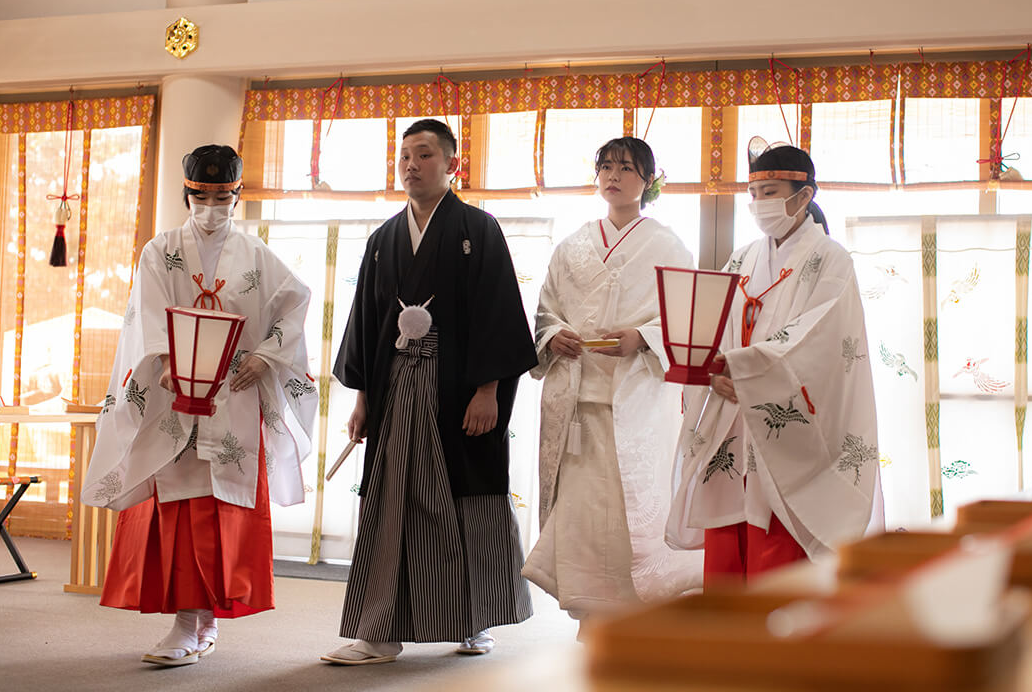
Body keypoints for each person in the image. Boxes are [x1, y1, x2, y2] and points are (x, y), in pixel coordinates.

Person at [82, 144, 316, 665]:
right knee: (179, 504)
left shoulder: (257, 255)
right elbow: (145, 313)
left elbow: (294, 300)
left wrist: (267, 355)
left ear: (237, 195)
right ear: (186, 193)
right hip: (174, 396)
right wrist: (165, 359)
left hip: (231, 396)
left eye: (222, 195)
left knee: (219, 508)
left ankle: (202, 621)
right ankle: (186, 621)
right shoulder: (160, 249)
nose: (211, 204)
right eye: (201, 195)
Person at [322, 118, 537, 666]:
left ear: (451, 164)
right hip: (396, 389)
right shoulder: (382, 240)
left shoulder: (478, 229)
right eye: (405, 156)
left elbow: (498, 314)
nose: (412, 165)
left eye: (424, 155)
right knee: (391, 501)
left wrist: (489, 390)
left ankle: (475, 618)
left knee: (469, 500)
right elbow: (368, 324)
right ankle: (379, 631)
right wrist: (364, 398)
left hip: (460, 389)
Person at [665, 142, 882, 585]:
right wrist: (712, 368)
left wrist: (742, 370)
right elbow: (716, 318)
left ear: (803, 196)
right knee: (730, 514)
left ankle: (779, 642)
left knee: (778, 525)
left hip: (788, 413)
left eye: (771, 191)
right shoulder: (743, 257)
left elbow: (817, 335)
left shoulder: (831, 259)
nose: (760, 202)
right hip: (732, 408)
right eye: (754, 191)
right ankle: (725, 642)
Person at [523, 137, 702, 625]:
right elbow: (546, 311)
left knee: (631, 512)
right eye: (605, 167)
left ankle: (637, 615)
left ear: (649, 181)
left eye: (626, 168)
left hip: (637, 398)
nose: (613, 176)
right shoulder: (572, 245)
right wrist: (555, 334)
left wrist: (644, 337)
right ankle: (589, 617)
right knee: (581, 514)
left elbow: (688, 319)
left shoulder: (668, 245)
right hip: (579, 399)